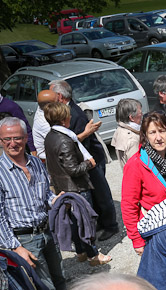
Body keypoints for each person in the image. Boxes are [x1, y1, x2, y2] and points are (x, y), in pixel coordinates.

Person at [0, 117, 68, 290]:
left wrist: (56, 200)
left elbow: (45, 194)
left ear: (25, 137)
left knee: (60, 278)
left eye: (17, 138)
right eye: (7, 139)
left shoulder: (36, 163)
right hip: (24, 239)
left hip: (46, 231)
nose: (13, 143)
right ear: (0, 139)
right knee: (45, 288)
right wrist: (15, 247)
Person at [49, 80, 119, 241]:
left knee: (102, 194)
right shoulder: (65, 112)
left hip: (92, 160)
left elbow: (80, 144)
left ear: (59, 96)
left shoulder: (74, 114)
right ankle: (101, 223)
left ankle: (111, 226)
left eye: (52, 94)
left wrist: (80, 164)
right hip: (85, 162)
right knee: (94, 194)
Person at [43, 102, 111, 266]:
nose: (71, 116)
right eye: (68, 115)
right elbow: (73, 169)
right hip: (77, 188)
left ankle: (81, 251)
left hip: (63, 187)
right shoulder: (65, 140)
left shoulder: (50, 136)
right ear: (63, 119)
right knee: (86, 222)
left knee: (74, 221)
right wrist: (89, 164)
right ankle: (93, 255)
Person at [122, 111, 166, 254]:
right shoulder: (136, 164)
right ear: (145, 135)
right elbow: (129, 205)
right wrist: (137, 240)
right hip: (157, 231)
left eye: (162, 131)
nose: (158, 138)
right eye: (152, 132)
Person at [111, 98, 143, 168]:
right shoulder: (132, 140)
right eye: (140, 113)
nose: (142, 115)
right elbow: (137, 167)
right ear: (131, 117)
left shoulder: (119, 130)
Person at [32, 90, 60, 162]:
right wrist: (86, 133)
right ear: (49, 105)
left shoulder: (42, 108)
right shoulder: (44, 123)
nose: (61, 101)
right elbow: (63, 142)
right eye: (57, 101)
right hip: (49, 161)